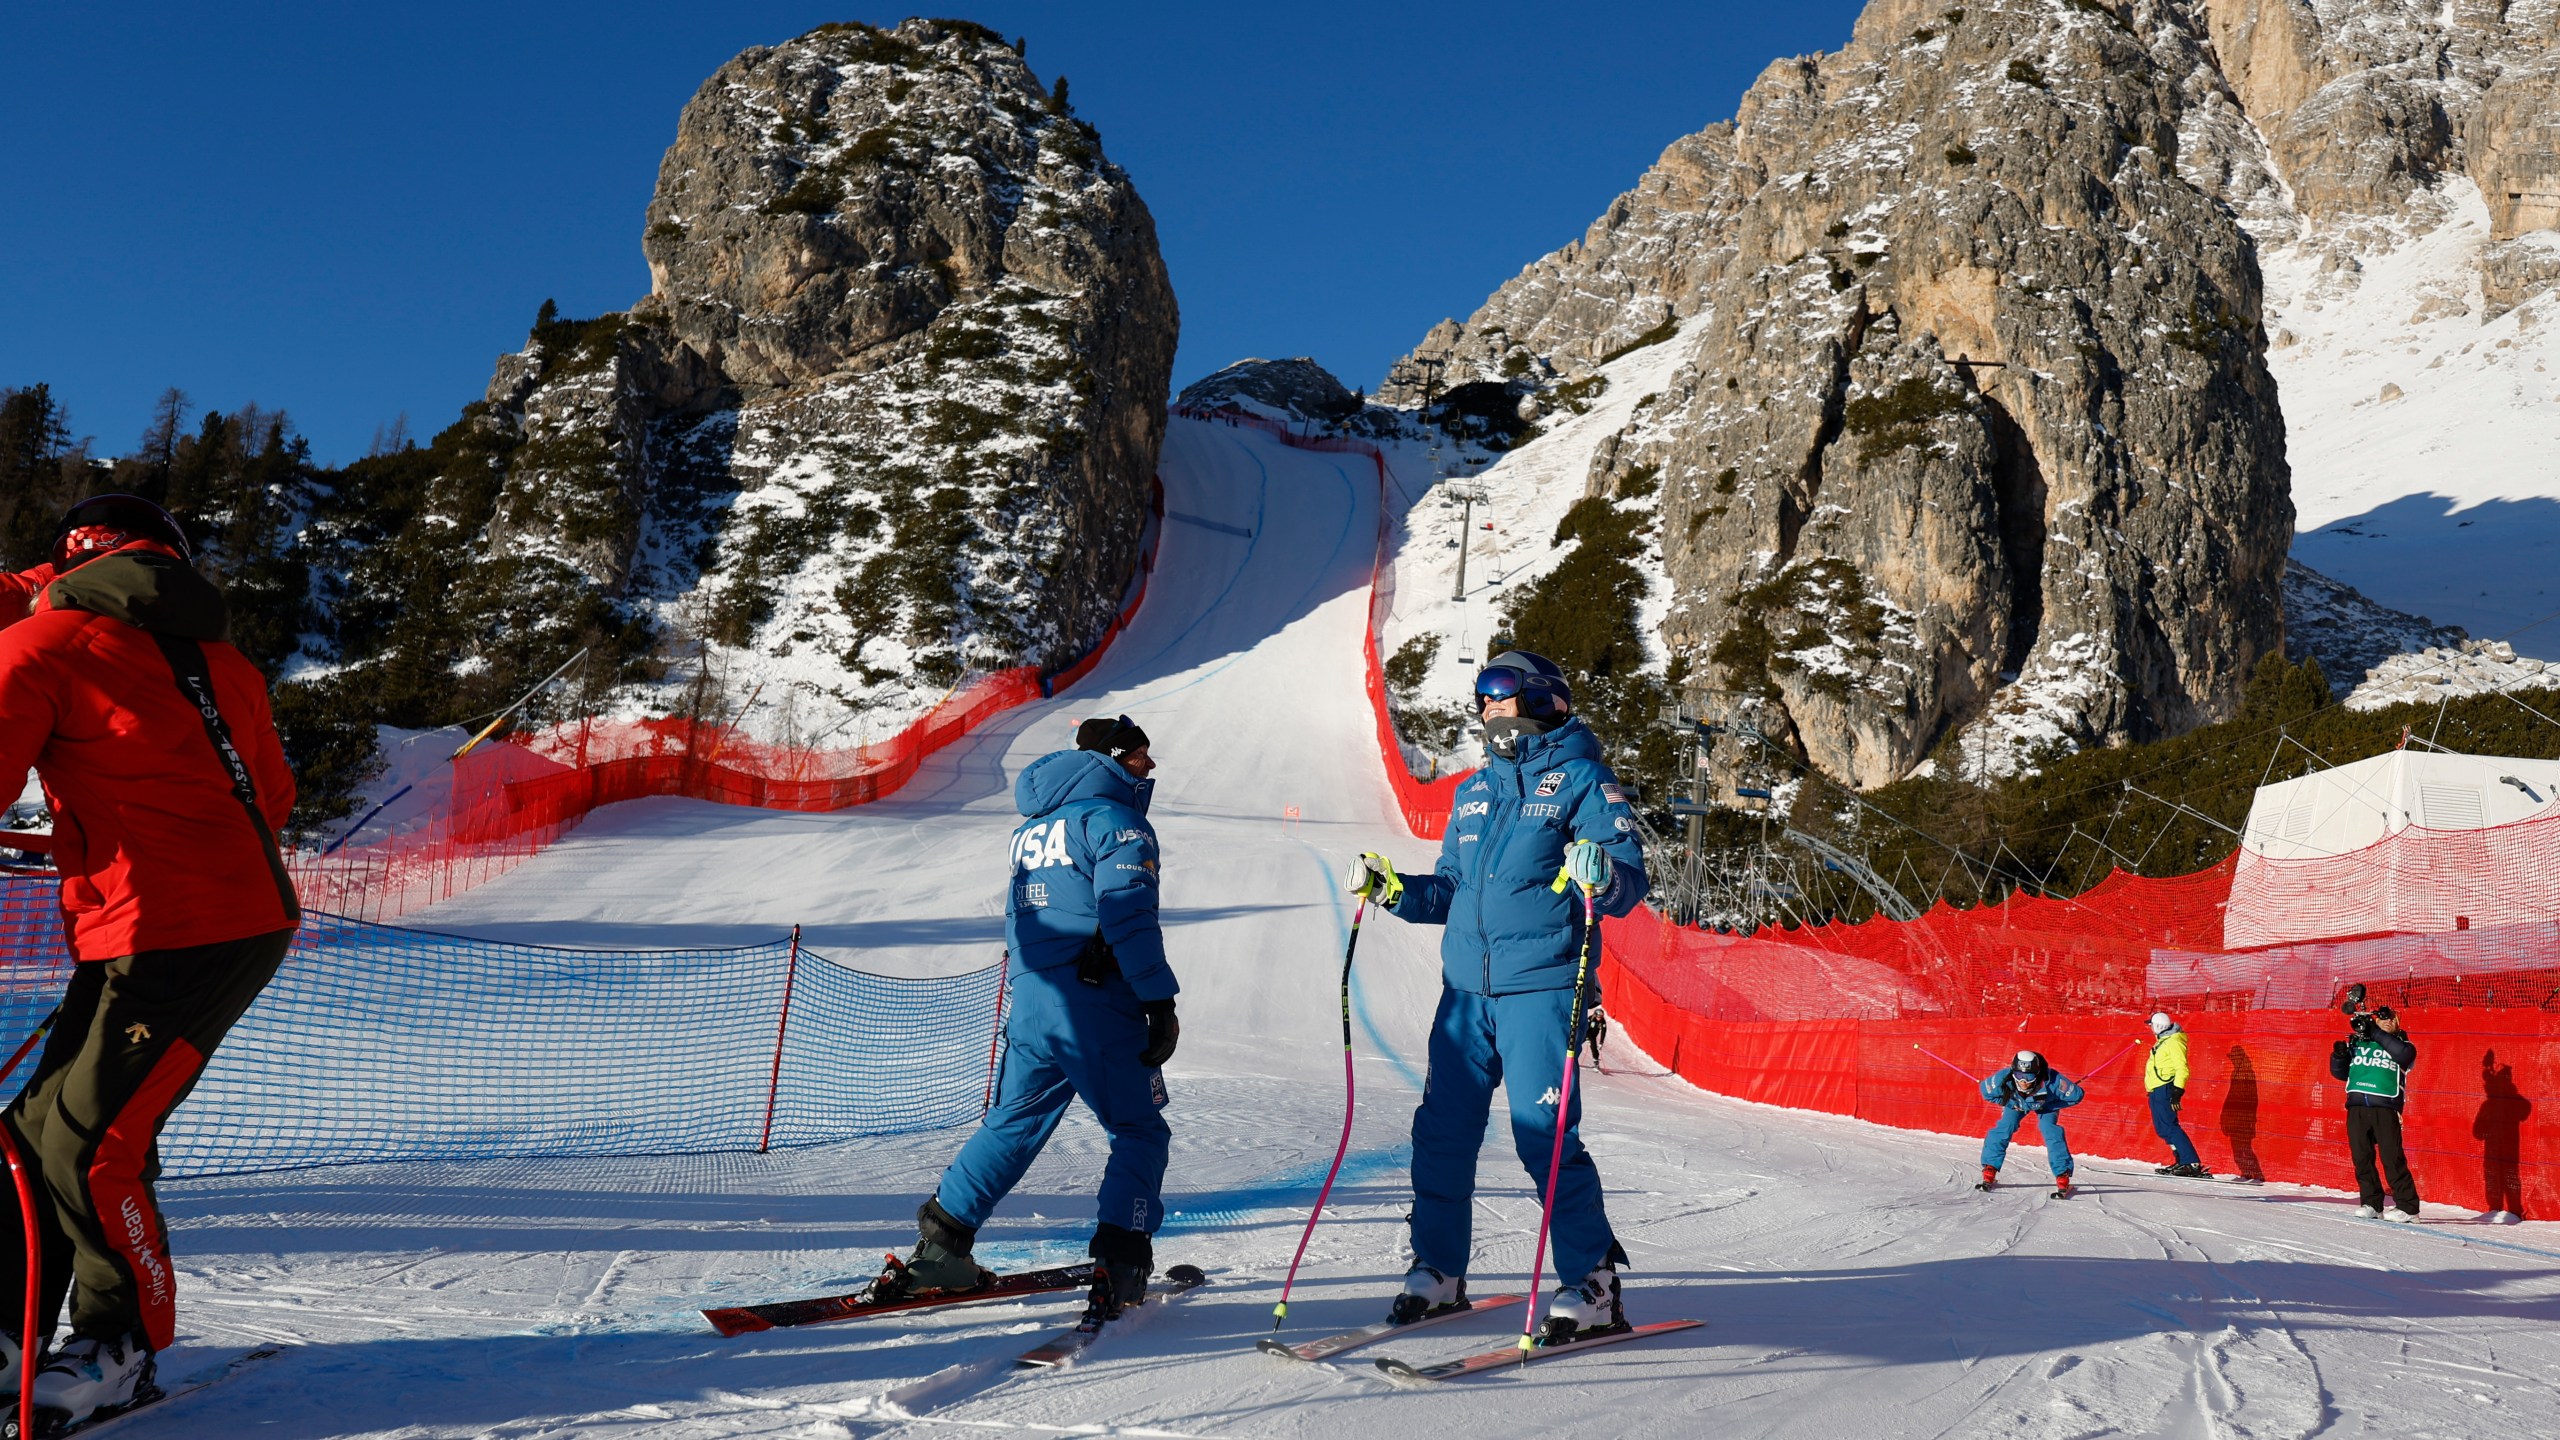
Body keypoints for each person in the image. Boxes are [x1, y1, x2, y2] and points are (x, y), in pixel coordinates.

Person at [0, 495, 299, 1427]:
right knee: (36, 1130)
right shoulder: (228, 663)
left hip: (175, 931)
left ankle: (119, 1345)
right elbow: (271, 802)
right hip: (205, 919)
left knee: (90, 1145)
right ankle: (19, 1327)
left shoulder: (38, 649)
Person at [1344, 649, 1648, 1345]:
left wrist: (1600, 872)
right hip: (1466, 996)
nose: (1487, 703)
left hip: (1541, 987)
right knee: (1442, 1133)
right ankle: (1441, 1271)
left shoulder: (1582, 782)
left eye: (1501, 689)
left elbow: (1629, 879)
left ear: (1543, 698)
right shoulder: (1474, 791)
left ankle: (1594, 1283)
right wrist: (1397, 892)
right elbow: (1450, 887)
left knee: (1543, 1138)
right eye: (1480, 693)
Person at [885, 715, 1177, 1323]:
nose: (1151, 768)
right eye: (1143, 757)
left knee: (1014, 1119)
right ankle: (1121, 1262)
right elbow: (1127, 915)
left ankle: (939, 1250)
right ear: (1117, 758)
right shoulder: (1117, 822)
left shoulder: (1033, 827)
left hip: (1033, 1000)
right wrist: (1158, 1001)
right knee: (1140, 1129)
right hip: (1096, 1002)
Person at [2330, 1003, 2420, 1220]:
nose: (2387, 1021)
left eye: (2391, 1019)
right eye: (2382, 1018)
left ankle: (2408, 1207)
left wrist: (2375, 1031)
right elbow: (2341, 1074)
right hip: (2357, 1106)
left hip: (2386, 1108)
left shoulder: (2403, 1045)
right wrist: (2339, 1057)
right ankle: (2372, 1203)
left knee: (2392, 1158)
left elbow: (2403, 1055)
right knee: (2362, 1158)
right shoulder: (2360, 1043)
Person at [1977, 1050, 2085, 1195]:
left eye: (2029, 1077)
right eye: (2020, 1076)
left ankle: (2062, 1173)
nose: (2024, 1081)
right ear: (2013, 1071)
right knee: (2005, 1127)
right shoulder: (2002, 1078)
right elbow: (1986, 1093)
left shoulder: (2053, 1080)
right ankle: (1990, 1167)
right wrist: (2008, 1102)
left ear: (2038, 1073)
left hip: (2045, 1105)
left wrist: (2050, 1105)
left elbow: (2077, 1096)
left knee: (2049, 1129)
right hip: (2016, 1103)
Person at [2145, 1012, 2210, 1178]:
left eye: (2151, 1024)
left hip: (2165, 1087)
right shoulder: (2164, 1041)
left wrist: (2177, 1090)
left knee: (2170, 1126)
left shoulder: (2173, 1042)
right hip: (2156, 1088)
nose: (2150, 1027)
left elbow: (2182, 1067)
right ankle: (2181, 1160)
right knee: (2162, 1128)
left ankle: (2191, 1162)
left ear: (2158, 1026)